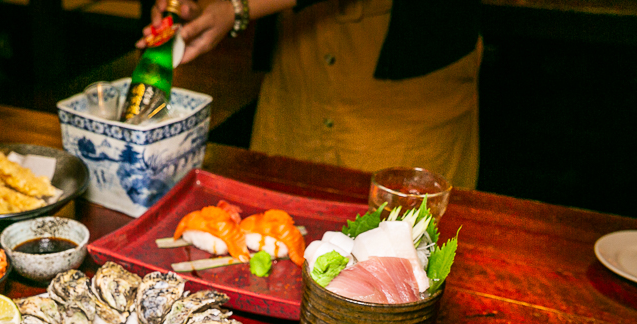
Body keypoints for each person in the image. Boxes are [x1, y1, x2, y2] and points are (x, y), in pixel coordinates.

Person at [141, 0, 482, 189]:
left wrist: (238, 7)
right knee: (275, 231)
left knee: (403, 249)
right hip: (299, 58)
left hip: (403, 84)